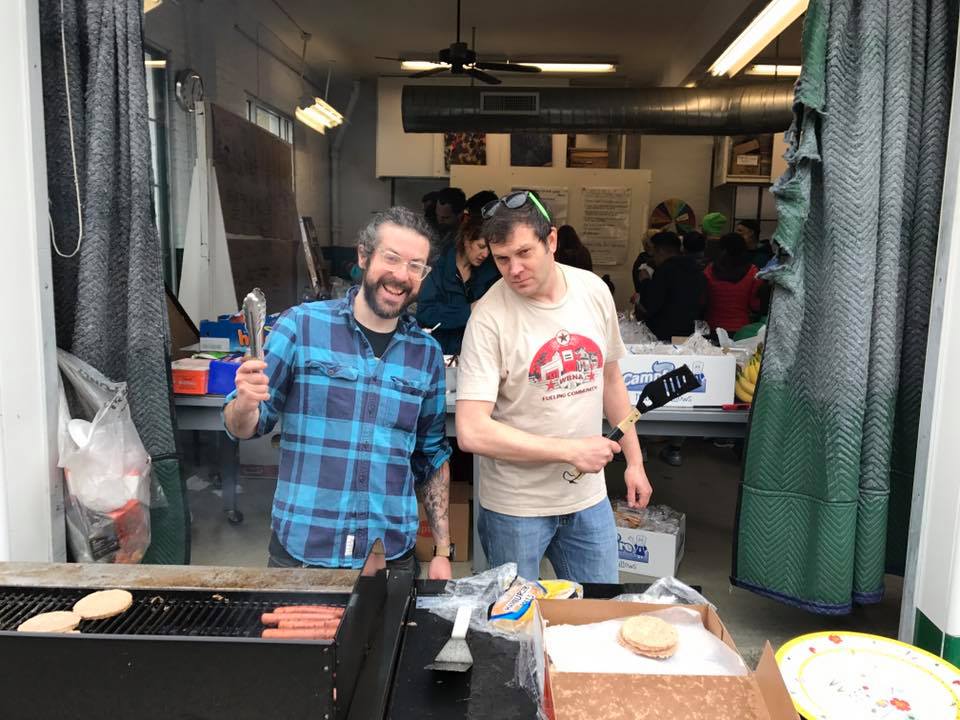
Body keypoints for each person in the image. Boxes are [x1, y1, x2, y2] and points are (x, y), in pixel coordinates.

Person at [223, 207, 454, 578]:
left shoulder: (425, 354)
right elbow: (245, 426)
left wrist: (443, 549)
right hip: (304, 550)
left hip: (390, 554)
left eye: (416, 266)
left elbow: (431, 455)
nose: (401, 275)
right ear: (363, 256)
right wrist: (246, 403)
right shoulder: (301, 325)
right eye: (391, 259)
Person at [456, 190, 652, 583]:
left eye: (524, 253)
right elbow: (471, 430)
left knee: (596, 616)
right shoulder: (488, 317)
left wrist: (635, 461)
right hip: (515, 507)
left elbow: (610, 381)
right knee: (515, 626)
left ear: (552, 241)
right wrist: (570, 450)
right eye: (502, 259)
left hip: (588, 500)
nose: (514, 270)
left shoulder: (593, 292)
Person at [416, 213, 500, 355]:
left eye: (489, 249)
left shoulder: (491, 273)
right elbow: (425, 313)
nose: (485, 254)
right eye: (481, 246)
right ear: (466, 239)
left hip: (476, 352)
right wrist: (469, 310)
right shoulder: (438, 267)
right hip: (440, 352)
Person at [634, 231, 705, 342]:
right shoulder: (696, 269)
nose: (653, 258)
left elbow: (651, 304)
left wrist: (645, 281)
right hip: (690, 333)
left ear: (660, 251)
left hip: (664, 334)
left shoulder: (665, 270)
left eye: (654, 253)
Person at [703, 233, 764, 335]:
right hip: (741, 330)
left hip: (713, 326)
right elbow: (755, 304)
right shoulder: (753, 272)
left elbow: (703, 299)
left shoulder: (709, 269)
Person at [435, 187, 467, 252]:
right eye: (437, 215)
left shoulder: (470, 236)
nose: (440, 221)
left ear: (459, 215)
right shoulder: (440, 231)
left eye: (446, 218)